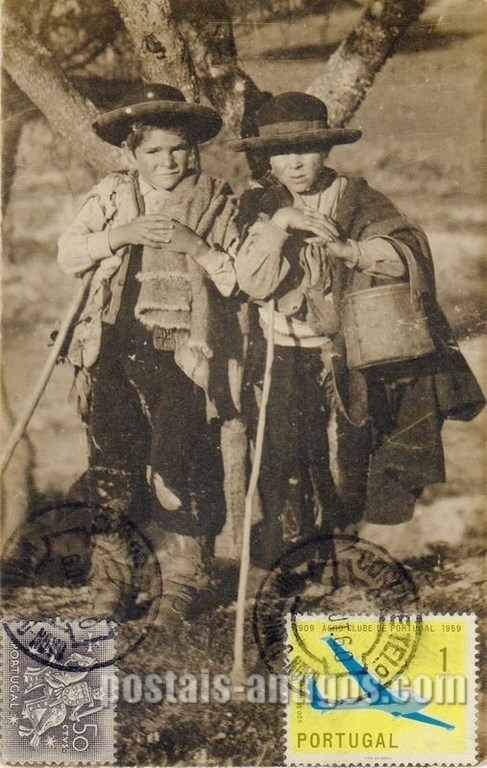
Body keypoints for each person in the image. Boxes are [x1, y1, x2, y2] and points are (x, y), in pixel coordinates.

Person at [230, 91, 484, 568]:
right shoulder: (259, 206)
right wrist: (280, 226)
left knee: (350, 454)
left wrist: (353, 252)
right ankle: (297, 556)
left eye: (306, 149)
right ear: (266, 157)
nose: (295, 163)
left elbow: (406, 250)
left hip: (350, 351)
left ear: (326, 150)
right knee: (286, 454)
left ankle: (348, 549)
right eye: (282, 153)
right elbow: (252, 281)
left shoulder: (359, 200)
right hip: (283, 349)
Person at [58, 84, 244, 617]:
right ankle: (111, 582)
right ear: (131, 154)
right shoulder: (113, 197)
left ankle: (184, 579)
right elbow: (70, 254)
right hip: (113, 345)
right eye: (154, 151)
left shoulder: (217, 199)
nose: (169, 161)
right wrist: (120, 235)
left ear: (195, 150)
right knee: (112, 463)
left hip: (187, 350)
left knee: (181, 463)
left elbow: (237, 282)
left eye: (179, 149)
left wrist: (199, 248)